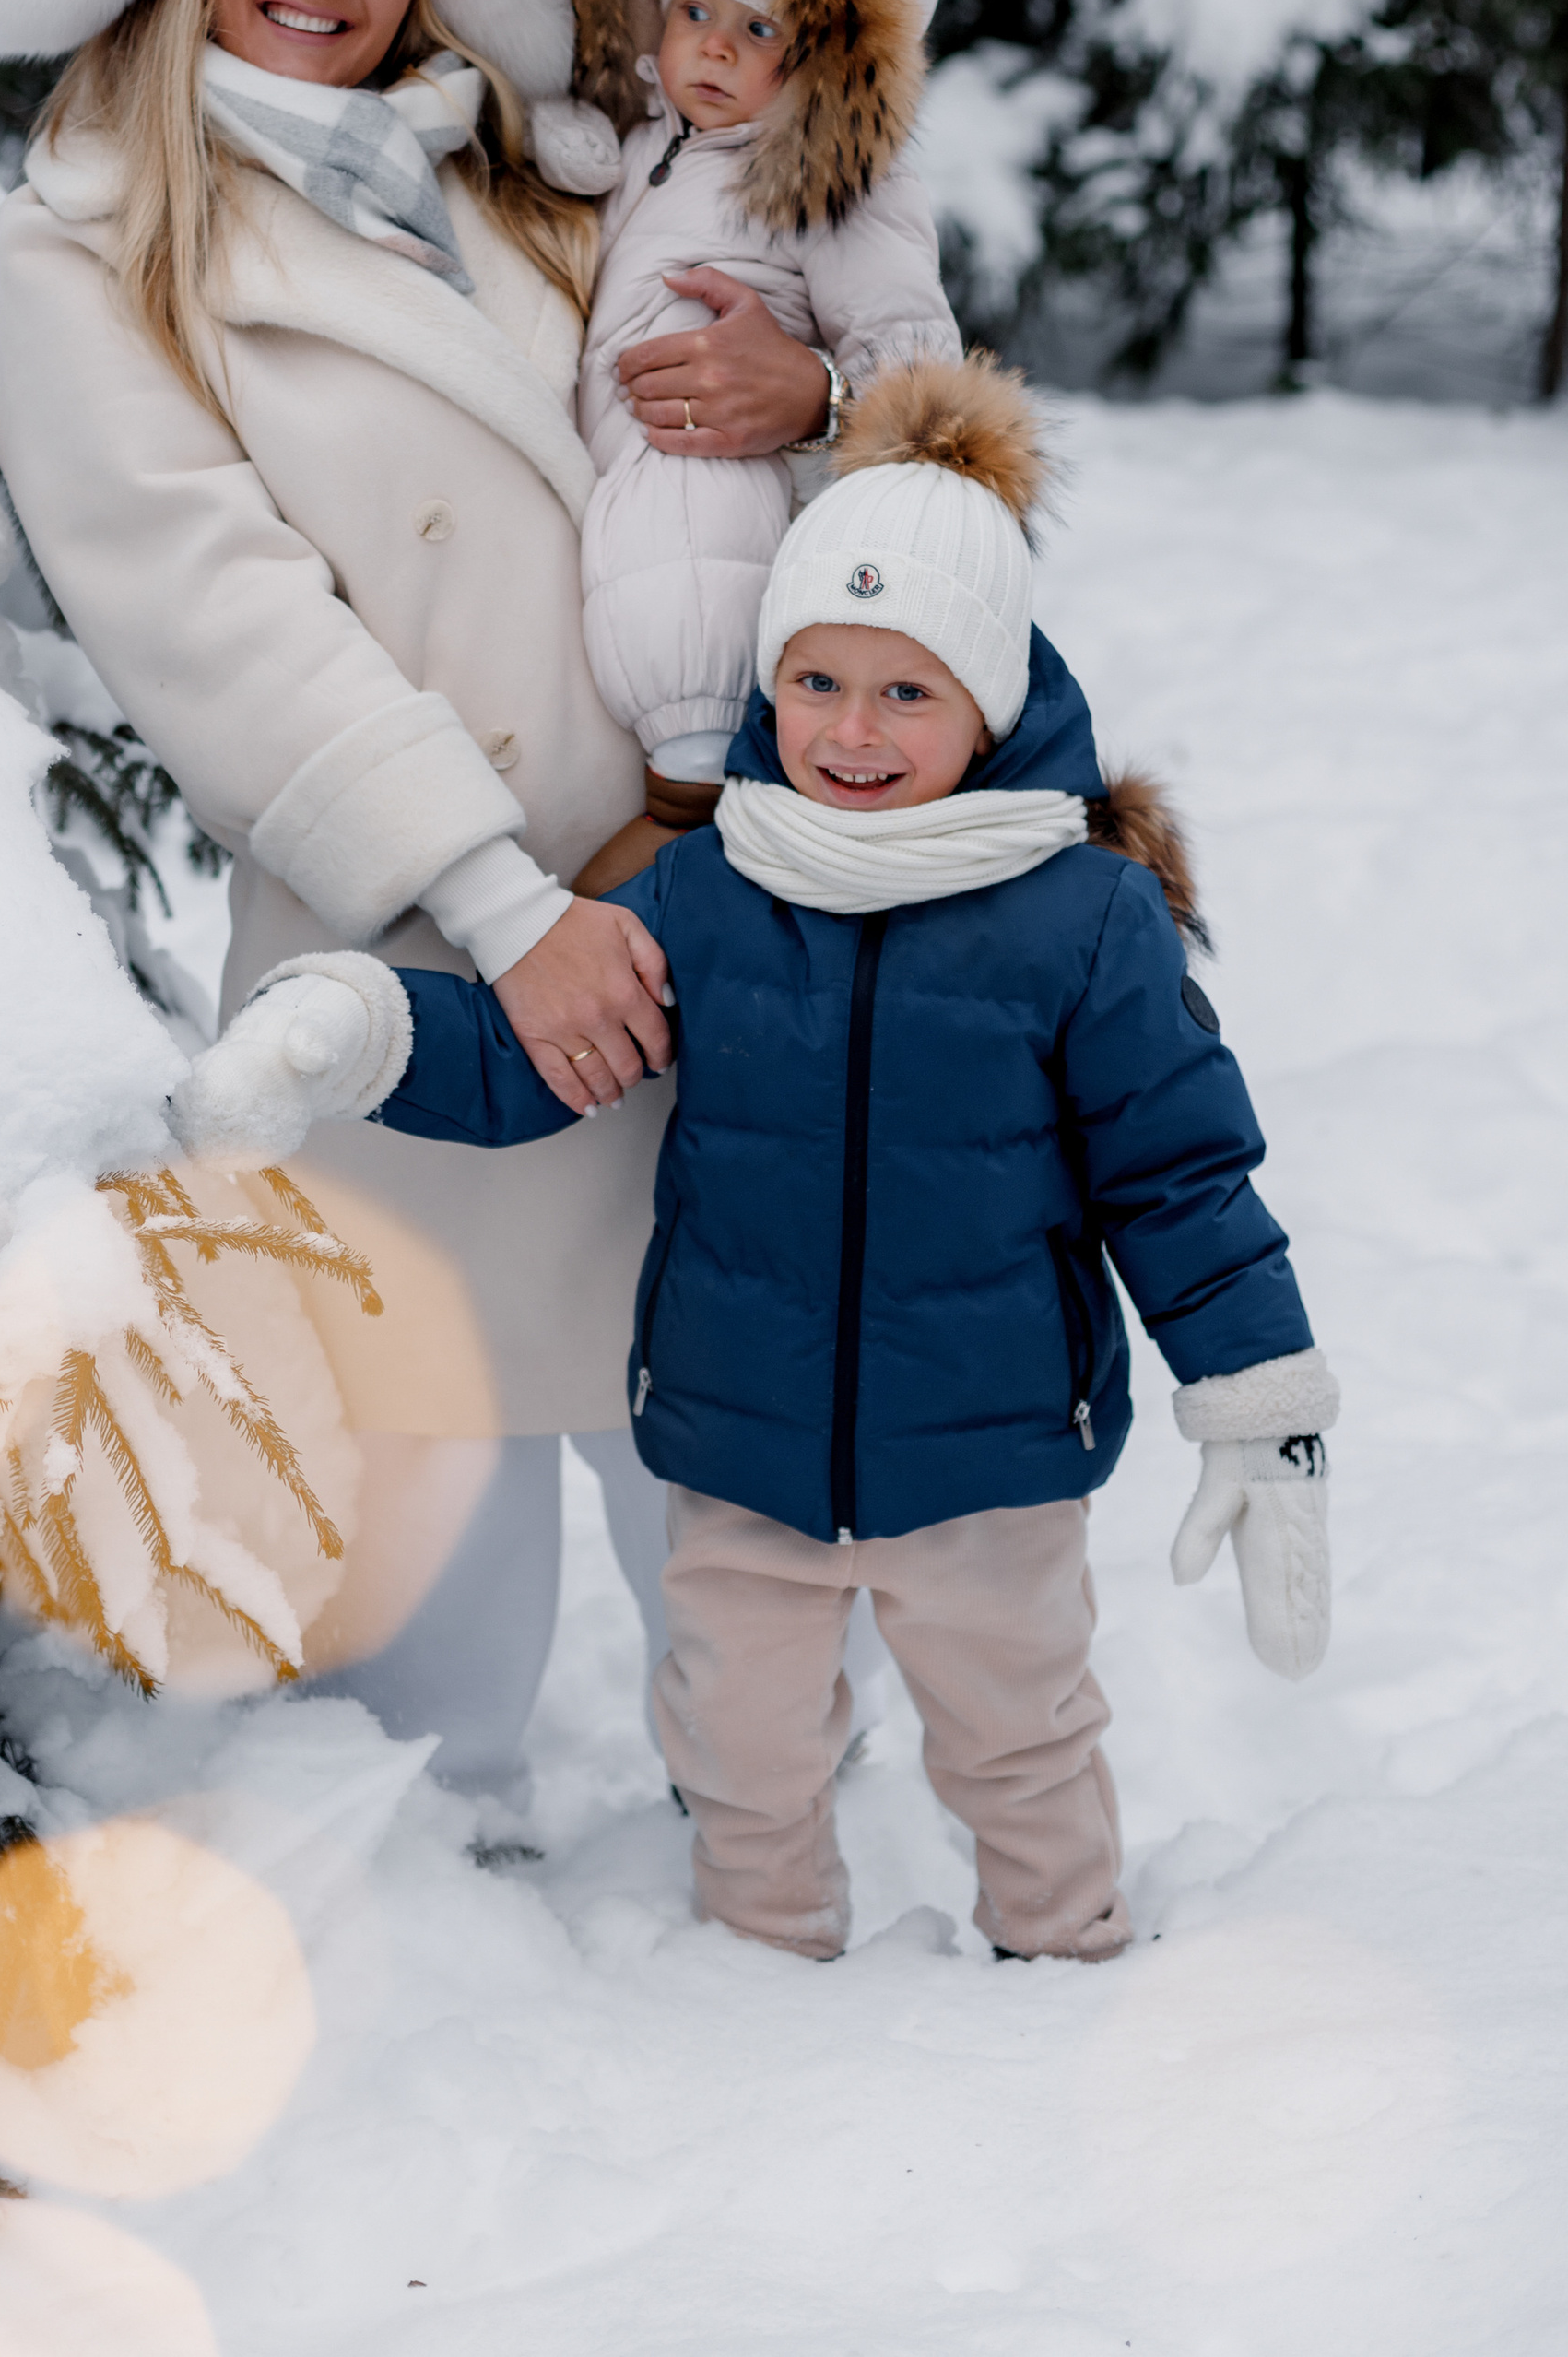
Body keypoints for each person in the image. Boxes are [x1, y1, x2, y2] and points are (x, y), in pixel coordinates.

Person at [0, 0, 841, 1821]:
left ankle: (806, 1921)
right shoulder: (97, 250)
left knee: (723, 1448)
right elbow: (225, 627)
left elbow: (743, 507)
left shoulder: (553, 172)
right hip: (426, 941)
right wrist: (504, 901)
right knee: (427, 1504)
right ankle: (448, 1955)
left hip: (695, 899)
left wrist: (797, 409)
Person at [174, 351, 1338, 1961]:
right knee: (742, 1751)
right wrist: (358, 1032)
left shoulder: (1081, 920)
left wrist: (1259, 1400)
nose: (851, 733)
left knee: (1020, 1737)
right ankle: (760, 1983)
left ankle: (1066, 1961)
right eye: (815, 682)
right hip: (739, 1450)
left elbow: (1180, 1176)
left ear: (991, 700)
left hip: (990, 1459)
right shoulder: (715, 887)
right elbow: (532, 1055)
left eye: (907, 692)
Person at [549, 0, 961, 897]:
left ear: (827, 48)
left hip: (709, 509)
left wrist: (820, 394)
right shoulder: (646, 137)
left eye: (757, 27)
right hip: (612, 494)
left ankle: (647, 859)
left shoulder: (835, 180)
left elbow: (921, 374)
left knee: (686, 773)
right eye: (695, 15)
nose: (715, 53)